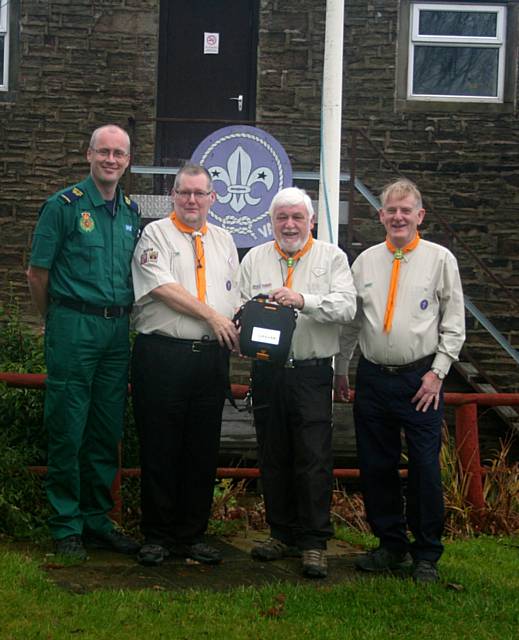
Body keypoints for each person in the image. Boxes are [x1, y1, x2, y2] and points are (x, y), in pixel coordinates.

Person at [335, 178, 465, 583]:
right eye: (391, 210)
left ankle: (426, 553)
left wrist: (438, 373)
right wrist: (341, 368)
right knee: (377, 466)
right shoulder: (365, 261)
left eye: (405, 210)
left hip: (420, 380)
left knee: (425, 467)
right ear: (381, 216)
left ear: (419, 215)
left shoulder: (440, 259)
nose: (398, 217)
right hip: (373, 379)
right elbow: (353, 322)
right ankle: (390, 545)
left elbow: (454, 324)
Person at [26, 124, 141, 560]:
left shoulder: (130, 211)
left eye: (119, 154)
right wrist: (55, 321)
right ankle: (66, 524)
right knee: (68, 427)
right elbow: (38, 274)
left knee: (105, 428)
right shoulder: (64, 206)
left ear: (128, 161)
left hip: (116, 332)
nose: (111, 160)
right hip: (74, 325)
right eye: (104, 152)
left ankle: (97, 518)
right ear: (89, 155)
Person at [239, 187, 357, 579]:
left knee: (313, 457)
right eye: (281, 218)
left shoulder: (332, 257)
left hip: (310, 370)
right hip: (267, 370)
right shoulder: (255, 257)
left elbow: (347, 305)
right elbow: (239, 305)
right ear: (270, 221)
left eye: (297, 217)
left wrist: (302, 299)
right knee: (273, 454)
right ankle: (281, 533)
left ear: (311, 221)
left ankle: (314, 541)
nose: (289, 225)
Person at [131, 163, 240, 567]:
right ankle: (156, 536)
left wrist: (242, 327)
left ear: (213, 198)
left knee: (201, 450)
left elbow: (235, 295)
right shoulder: (155, 234)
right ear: (173, 196)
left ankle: (191, 536)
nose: (192, 200)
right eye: (184, 193)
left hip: (211, 360)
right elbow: (161, 287)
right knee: (160, 447)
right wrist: (214, 317)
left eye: (200, 193)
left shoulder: (225, 240)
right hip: (163, 356)